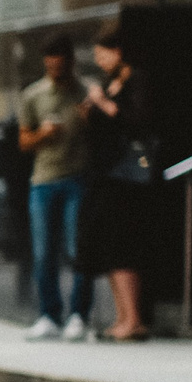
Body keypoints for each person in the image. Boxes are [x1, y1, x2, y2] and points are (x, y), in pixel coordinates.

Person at [80, 24, 156, 340]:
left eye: (102, 54)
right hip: (106, 175)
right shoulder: (109, 83)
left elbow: (137, 121)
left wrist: (104, 104)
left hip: (128, 178)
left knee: (124, 247)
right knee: (109, 248)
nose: (99, 61)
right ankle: (122, 316)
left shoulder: (138, 82)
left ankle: (133, 318)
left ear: (118, 51)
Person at [16, 32, 92, 340]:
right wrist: (43, 136)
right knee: (44, 251)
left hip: (79, 178)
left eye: (61, 66)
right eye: (51, 67)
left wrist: (91, 120)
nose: (56, 72)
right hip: (44, 181)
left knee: (78, 250)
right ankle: (49, 314)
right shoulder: (33, 96)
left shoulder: (86, 92)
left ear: (71, 63)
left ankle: (79, 315)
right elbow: (23, 141)